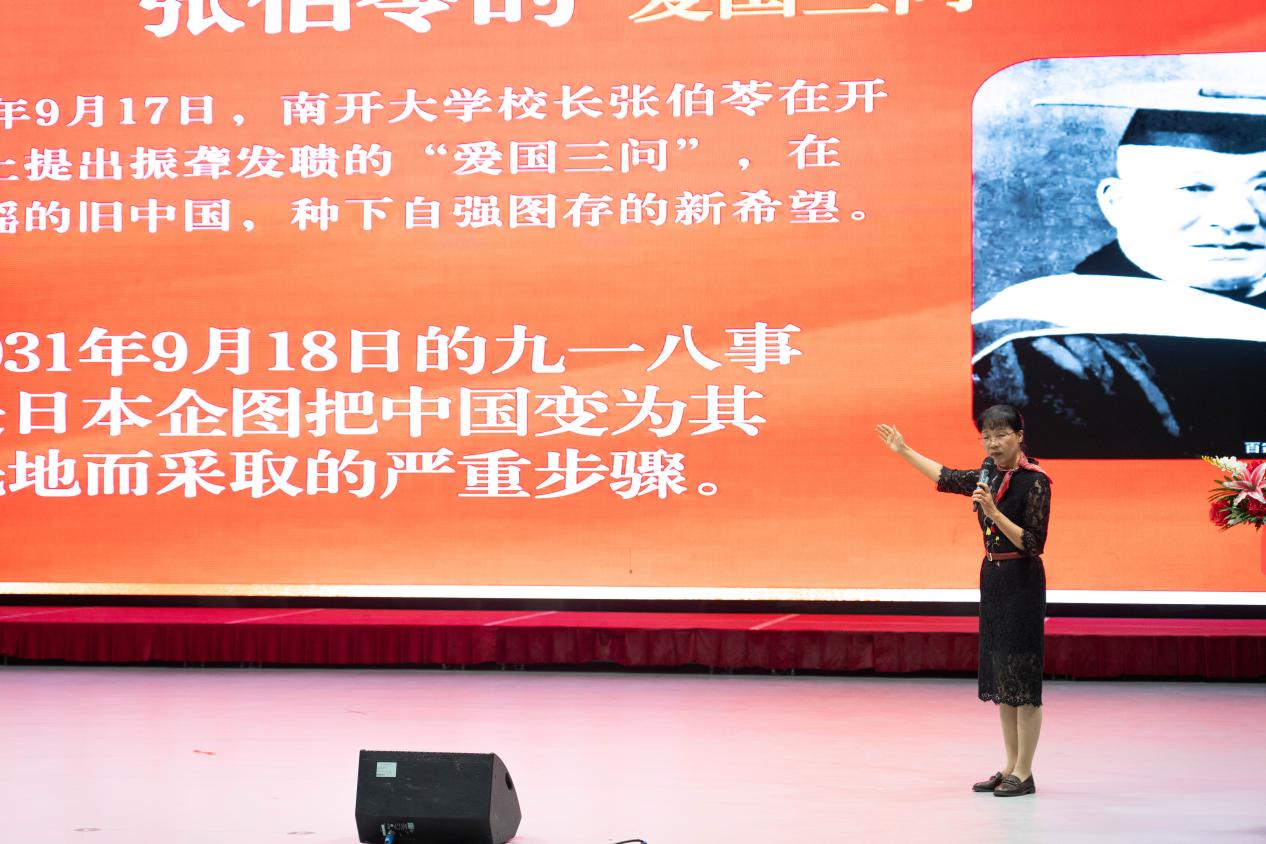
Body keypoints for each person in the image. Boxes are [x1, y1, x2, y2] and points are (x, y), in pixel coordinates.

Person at [972, 89, 1266, 458]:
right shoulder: (1042, 345)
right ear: (1117, 203)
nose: (1238, 218)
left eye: (1263, 188)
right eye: (1195, 188)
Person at [875, 406, 1051, 797]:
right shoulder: (988, 473)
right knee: (1003, 676)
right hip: (994, 578)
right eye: (986, 436)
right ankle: (1009, 765)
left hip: (1022, 580)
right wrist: (903, 450)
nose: (993, 443)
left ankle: (1025, 772)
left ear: (1019, 436)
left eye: (1001, 435)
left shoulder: (1035, 481)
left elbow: (1033, 543)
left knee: (1023, 679)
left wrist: (993, 511)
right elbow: (946, 476)